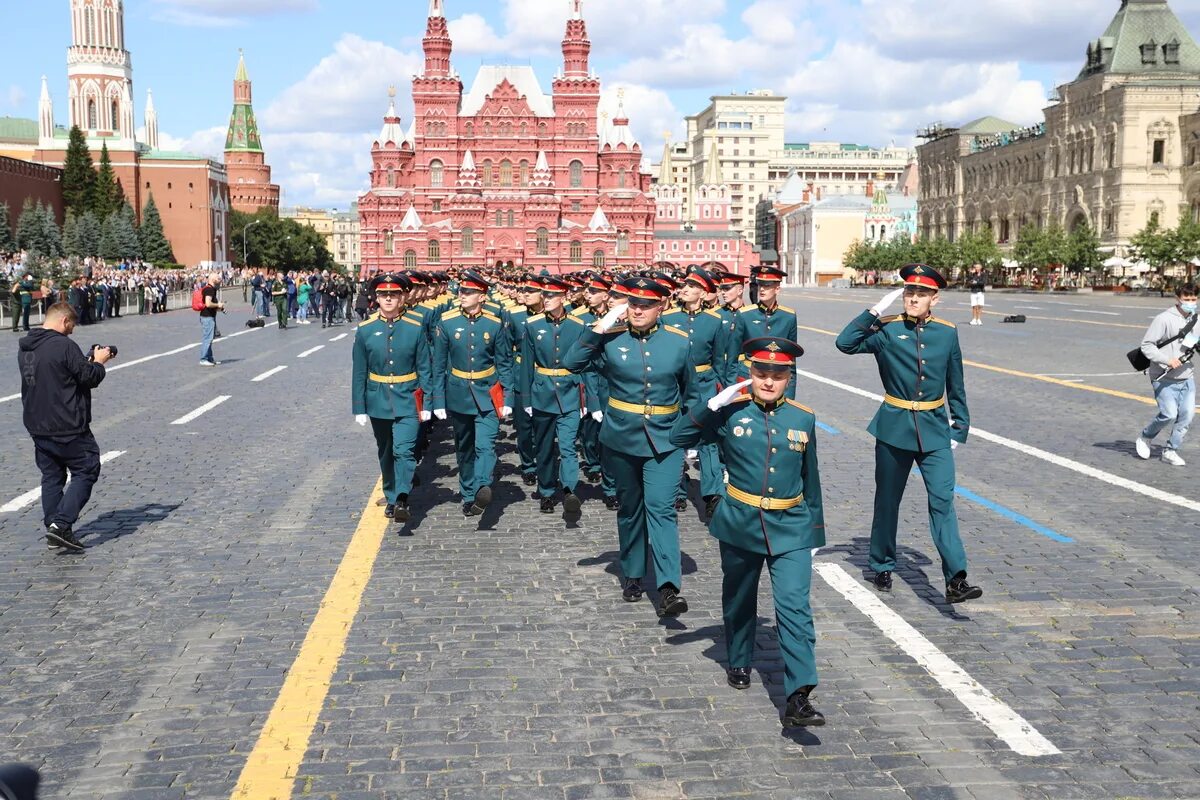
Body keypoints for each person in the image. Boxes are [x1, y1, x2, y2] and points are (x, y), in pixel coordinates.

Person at [671, 337, 826, 727]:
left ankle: (799, 694)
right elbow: (678, 438)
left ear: (789, 378)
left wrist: (814, 535)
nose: (769, 381)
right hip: (740, 522)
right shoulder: (730, 414)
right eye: (761, 373)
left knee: (794, 608)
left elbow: (812, 480)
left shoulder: (802, 418)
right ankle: (739, 658)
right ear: (749, 374)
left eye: (777, 374)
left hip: (790, 526)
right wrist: (712, 405)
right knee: (739, 599)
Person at [834, 264, 983, 605]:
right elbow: (845, 343)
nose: (914, 298)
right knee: (888, 501)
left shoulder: (946, 333)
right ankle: (882, 563)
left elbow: (955, 381)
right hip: (894, 426)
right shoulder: (886, 330)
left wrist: (959, 427)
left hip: (934, 429)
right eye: (909, 293)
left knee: (942, 501)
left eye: (922, 294)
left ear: (935, 298)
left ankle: (955, 578)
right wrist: (874, 310)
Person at [563, 277, 700, 617]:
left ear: (662, 306)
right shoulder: (610, 339)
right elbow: (571, 362)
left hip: (665, 439)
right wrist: (604, 323)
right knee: (630, 509)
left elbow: (692, 394)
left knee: (662, 509)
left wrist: (691, 436)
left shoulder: (679, 343)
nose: (638, 310)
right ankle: (634, 573)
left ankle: (668, 587)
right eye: (632, 304)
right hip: (621, 438)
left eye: (646, 305)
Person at [18, 302, 113, 552]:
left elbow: (56, 374)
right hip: (67, 424)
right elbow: (89, 377)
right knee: (86, 468)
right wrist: (100, 362)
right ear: (63, 321)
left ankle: (53, 526)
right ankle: (60, 525)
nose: (72, 331)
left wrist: (85, 360)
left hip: (38, 424)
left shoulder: (27, 347)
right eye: (71, 325)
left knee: (52, 476)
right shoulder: (64, 345)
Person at [431, 270, 514, 516]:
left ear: (482, 296)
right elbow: (438, 365)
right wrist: (437, 400)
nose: (462, 294)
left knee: (486, 446)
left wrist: (508, 396)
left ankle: (481, 487)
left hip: (487, 394)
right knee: (464, 448)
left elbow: (504, 362)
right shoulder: (446, 322)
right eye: (461, 291)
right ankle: (468, 495)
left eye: (469, 292)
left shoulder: (495, 323)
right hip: (457, 394)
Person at [352, 273, 431, 523]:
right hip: (378, 400)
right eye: (384, 295)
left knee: (404, 450)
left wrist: (429, 403)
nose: (388, 299)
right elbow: (359, 372)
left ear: (402, 298)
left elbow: (425, 368)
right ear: (376, 298)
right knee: (386, 451)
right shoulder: (365, 331)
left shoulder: (415, 329)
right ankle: (391, 492)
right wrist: (359, 407)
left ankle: (402, 498)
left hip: (408, 398)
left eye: (393, 295)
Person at [662, 267, 731, 517]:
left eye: (692, 287)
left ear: (703, 293)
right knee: (675, 437)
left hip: (704, 385)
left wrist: (722, 393)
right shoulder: (668, 318)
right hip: (676, 386)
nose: (685, 290)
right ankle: (678, 491)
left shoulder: (715, 322)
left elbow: (721, 362)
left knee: (708, 440)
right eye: (684, 286)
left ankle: (712, 494)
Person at [521, 276, 589, 514]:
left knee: (569, 446)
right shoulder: (532, 325)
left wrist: (586, 398)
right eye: (545, 295)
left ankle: (570, 490)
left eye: (552, 296)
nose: (546, 299)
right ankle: (547, 491)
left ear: (564, 298)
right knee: (544, 447)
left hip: (570, 393)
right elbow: (526, 365)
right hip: (542, 393)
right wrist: (527, 399)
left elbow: (584, 365)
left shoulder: (578, 326)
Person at [1134, 283, 1198, 466]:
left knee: (1187, 416)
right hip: (1163, 375)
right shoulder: (1163, 319)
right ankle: (1145, 437)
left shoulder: (1196, 319)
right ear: (1177, 299)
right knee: (1169, 414)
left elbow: (1192, 343)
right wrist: (1167, 360)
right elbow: (1147, 345)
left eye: (1194, 299)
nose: (1191, 303)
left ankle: (1170, 450)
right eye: (1187, 299)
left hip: (1186, 375)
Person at [729, 266, 797, 387]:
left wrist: (789, 392)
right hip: (748, 377)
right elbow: (732, 357)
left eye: (767, 286)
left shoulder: (788, 317)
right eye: (760, 285)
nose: (762, 290)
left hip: (777, 378)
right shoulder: (745, 315)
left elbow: (791, 360)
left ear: (777, 289)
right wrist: (733, 386)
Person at [198, 273, 225, 367]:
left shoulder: (211, 289)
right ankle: (203, 359)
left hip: (210, 316)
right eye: (218, 278)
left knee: (210, 338)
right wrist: (218, 305)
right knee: (207, 338)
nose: (220, 280)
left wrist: (219, 308)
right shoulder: (209, 290)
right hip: (207, 317)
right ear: (212, 279)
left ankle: (209, 358)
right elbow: (208, 304)